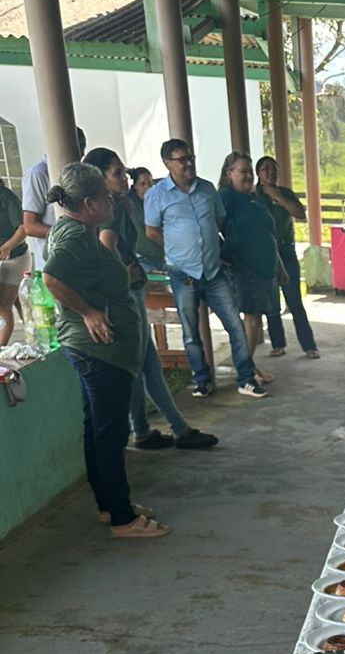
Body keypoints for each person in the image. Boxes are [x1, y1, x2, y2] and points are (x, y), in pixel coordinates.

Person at [41, 162, 170, 540]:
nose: (112, 200)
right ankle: (122, 519)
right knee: (111, 434)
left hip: (95, 350)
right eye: (105, 196)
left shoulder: (75, 229)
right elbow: (51, 277)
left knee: (98, 429)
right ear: (87, 203)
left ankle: (110, 505)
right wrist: (89, 312)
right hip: (98, 352)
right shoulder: (73, 236)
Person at [84, 147, 218, 454]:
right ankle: (171, 429)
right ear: (100, 179)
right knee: (142, 363)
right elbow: (106, 247)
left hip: (126, 291)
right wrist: (122, 275)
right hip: (126, 293)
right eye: (117, 173)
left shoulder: (113, 205)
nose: (125, 178)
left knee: (144, 362)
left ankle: (146, 430)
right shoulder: (111, 211)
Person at [142, 139, 265, 399]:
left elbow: (218, 221)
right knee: (190, 331)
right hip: (182, 273)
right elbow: (151, 231)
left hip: (212, 271)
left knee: (234, 324)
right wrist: (176, 246)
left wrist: (210, 248)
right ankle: (202, 380)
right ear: (167, 163)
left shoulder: (207, 189)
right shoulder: (157, 195)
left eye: (190, 158)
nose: (188, 163)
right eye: (182, 159)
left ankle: (246, 378)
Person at [216, 150, 282, 384]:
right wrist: (219, 254)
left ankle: (249, 365)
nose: (248, 176)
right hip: (245, 267)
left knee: (256, 320)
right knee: (252, 320)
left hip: (264, 267)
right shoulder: (227, 197)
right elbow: (211, 226)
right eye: (242, 171)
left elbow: (267, 233)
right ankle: (246, 370)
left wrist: (280, 267)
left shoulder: (254, 198)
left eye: (250, 172)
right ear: (229, 173)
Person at [255, 156, 319, 360]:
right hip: (265, 250)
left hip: (286, 250)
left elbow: (300, 213)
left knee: (294, 299)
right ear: (258, 174)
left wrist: (277, 196)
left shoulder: (286, 193)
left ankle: (309, 345)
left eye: (274, 169)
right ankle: (278, 343)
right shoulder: (253, 195)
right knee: (271, 300)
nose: (271, 173)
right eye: (266, 169)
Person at [21, 127, 87, 269]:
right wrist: (70, 234)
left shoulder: (76, 174)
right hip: (53, 265)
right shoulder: (38, 174)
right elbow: (29, 226)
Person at [0, 177, 27, 345]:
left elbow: (24, 228)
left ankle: (1, 349)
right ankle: (35, 337)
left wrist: (7, 246)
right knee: (19, 302)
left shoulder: (5, 196)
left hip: (15, 258)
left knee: (3, 305)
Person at [127, 168, 163, 268]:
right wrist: (130, 171)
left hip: (163, 257)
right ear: (135, 186)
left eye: (150, 184)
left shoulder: (157, 201)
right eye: (142, 184)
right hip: (144, 260)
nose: (147, 188)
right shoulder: (130, 200)